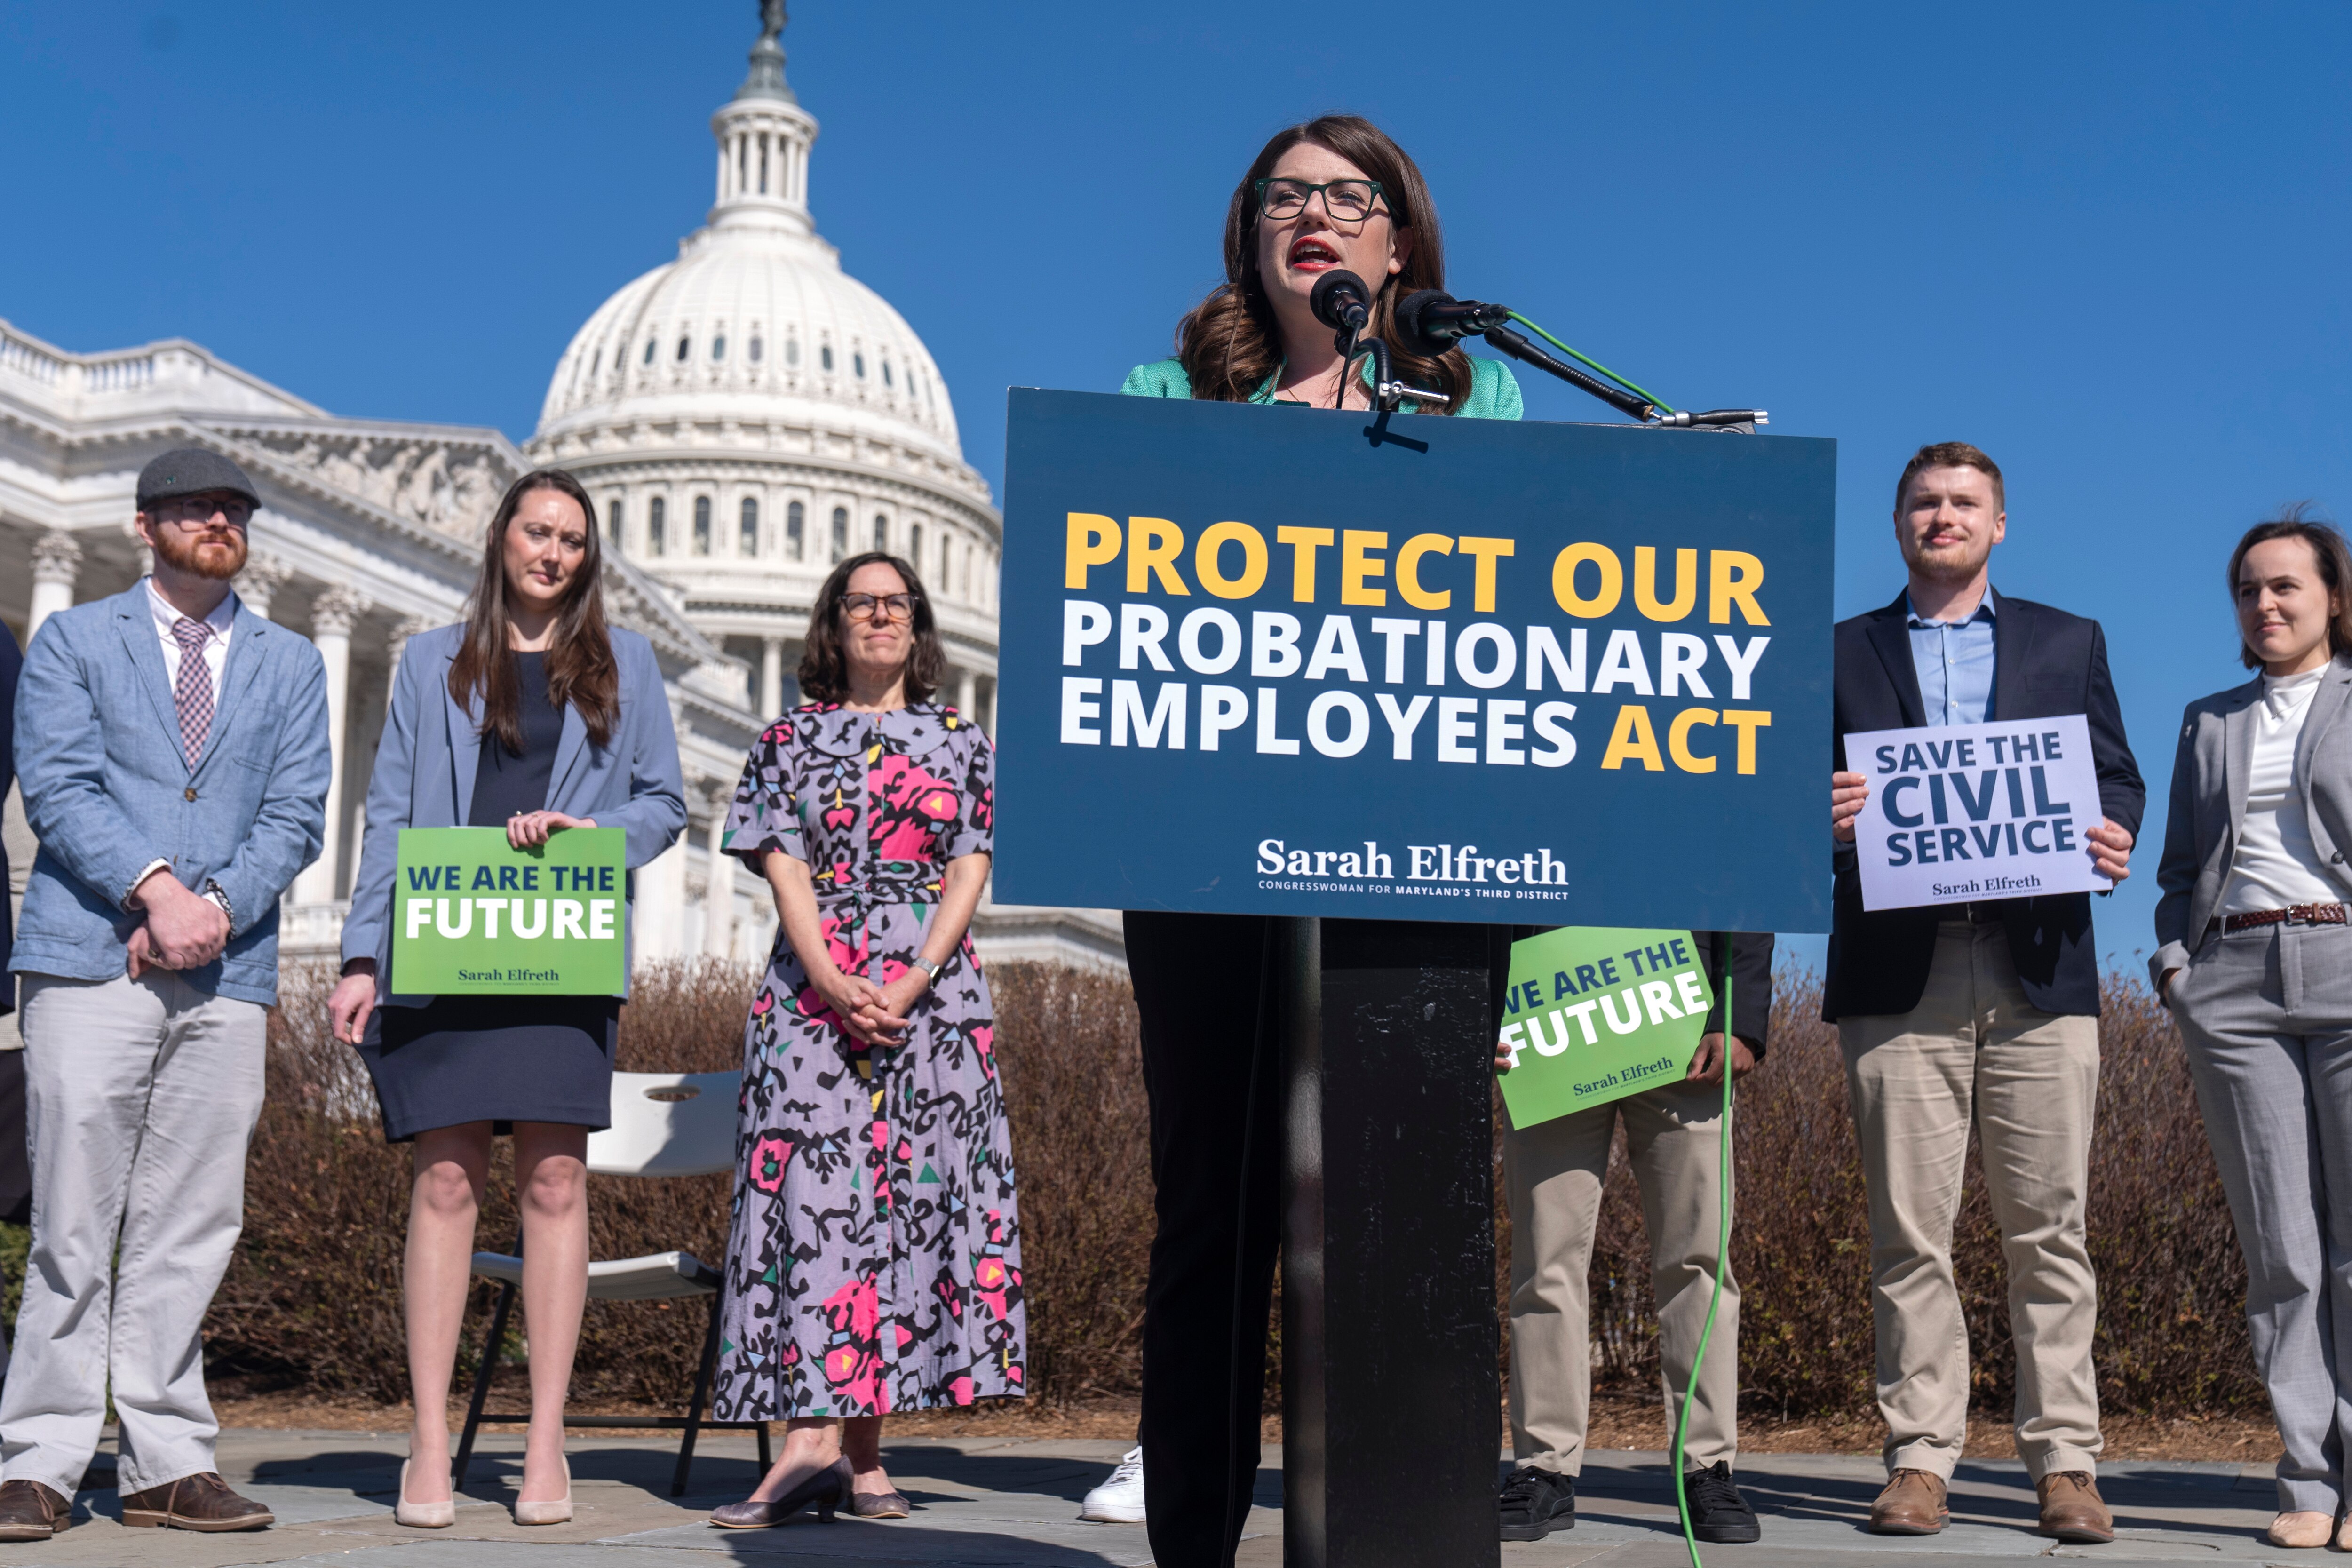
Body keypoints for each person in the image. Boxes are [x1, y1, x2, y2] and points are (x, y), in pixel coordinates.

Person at [1119, 112, 1523, 1568]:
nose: (1316, 218)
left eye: (1349, 198)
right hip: (1206, 867)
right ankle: (1196, 1545)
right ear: (1249, 239)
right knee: (1211, 1216)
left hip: (1414, 873)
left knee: (1399, 1212)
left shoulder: (1479, 418)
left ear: (1397, 240)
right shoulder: (1164, 400)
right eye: (1284, 198)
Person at [328, 468, 687, 1530]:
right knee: (443, 1182)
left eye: (574, 540)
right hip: (444, 934)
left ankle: (544, 1437)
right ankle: (431, 1437)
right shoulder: (432, 659)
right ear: (501, 538)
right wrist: (361, 954)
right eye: (538, 531)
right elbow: (387, 811)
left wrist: (597, 834)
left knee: (556, 1182)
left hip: (559, 938)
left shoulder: (626, 662)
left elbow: (665, 801)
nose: (555, 553)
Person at [0, 448, 330, 1539]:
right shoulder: (73, 639)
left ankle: (166, 1461)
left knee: (194, 1221)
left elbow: (297, 807)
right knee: (72, 1211)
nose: (219, 522)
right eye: (195, 507)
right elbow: (57, 780)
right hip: (89, 953)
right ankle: (39, 1458)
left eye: (234, 509)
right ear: (146, 525)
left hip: (226, 968)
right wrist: (153, 888)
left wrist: (215, 906)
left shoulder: (290, 662)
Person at [1826, 442, 2143, 1544]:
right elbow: (1778, 797)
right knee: (1907, 1231)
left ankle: (2064, 1462)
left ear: (1998, 524)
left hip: (2038, 968)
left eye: (1964, 502)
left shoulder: (2069, 639)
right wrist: (1819, 809)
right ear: (1898, 522)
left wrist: (2114, 831)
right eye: (1923, 501)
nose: (1942, 516)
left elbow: (2115, 775)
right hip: (1893, 973)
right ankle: (1919, 1457)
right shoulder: (1839, 652)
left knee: (2048, 1227)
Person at [704, 551, 1017, 1528]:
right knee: (810, 1204)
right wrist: (836, 979)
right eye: (862, 603)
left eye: (897, 604)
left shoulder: (962, 738)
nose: (880, 618)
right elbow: (783, 867)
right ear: (832, 623)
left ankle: (867, 1452)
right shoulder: (785, 738)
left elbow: (970, 865)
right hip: (812, 989)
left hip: (932, 992)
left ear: (917, 625)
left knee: (907, 1203)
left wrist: (913, 975)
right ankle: (807, 1443)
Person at [2152, 508, 2352, 1551]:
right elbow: (2181, 866)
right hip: (2232, 978)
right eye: (2247, 588)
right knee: (2282, 1247)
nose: (2265, 604)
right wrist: (2179, 965)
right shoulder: (2208, 717)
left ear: (2331, 595)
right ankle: (2307, 1477)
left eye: (2285, 585)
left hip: (2347, 959)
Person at [1494, 931, 1773, 1543]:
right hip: (1551, 1017)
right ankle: (1543, 1466)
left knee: (1699, 1259)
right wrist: (1490, 1002)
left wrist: (1740, 1019)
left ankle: (1706, 1465)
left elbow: (1742, 871)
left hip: (1681, 1010)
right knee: (1545, 1257)